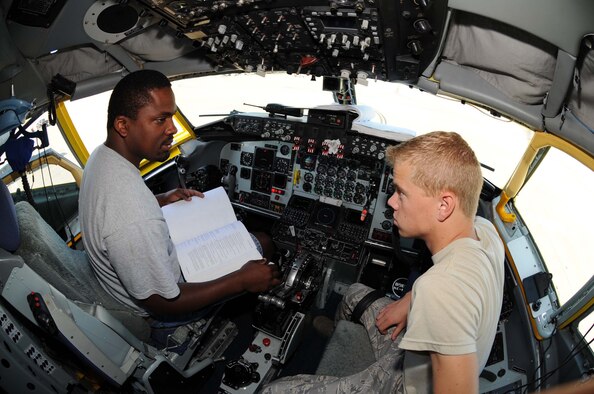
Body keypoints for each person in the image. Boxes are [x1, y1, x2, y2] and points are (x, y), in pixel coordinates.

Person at [262, 131, 505, 393]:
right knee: (354, 294)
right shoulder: (484, 230)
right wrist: (411, 299)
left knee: (273, 391)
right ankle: (336, 332)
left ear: (444, 205)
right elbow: (455, 285)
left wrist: (426, 297)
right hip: (413, 358)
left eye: (401, 193)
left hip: (401, 385)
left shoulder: (440, 291)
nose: (390, 202)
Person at [79, 70, 281, 346]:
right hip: (162, 316)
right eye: (160, 119)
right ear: (123, 126)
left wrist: (160, 199)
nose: (172, 128)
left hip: (145, 274)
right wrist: (242, 280)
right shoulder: (133, 215)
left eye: (172, 116)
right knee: (263, 243)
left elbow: (120, 210)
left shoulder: (103, 158)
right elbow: (165, 302)